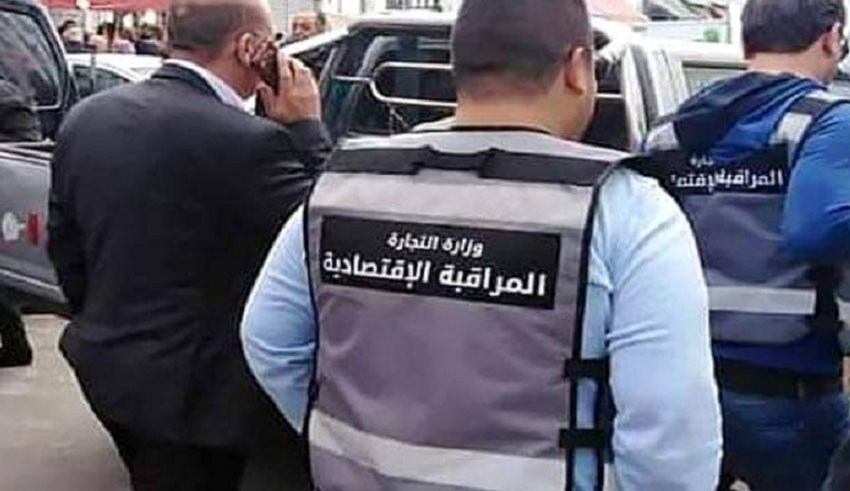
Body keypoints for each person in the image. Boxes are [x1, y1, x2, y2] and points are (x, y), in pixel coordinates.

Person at [241, 0, 722, 490]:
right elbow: (670, 435)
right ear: (577, 68)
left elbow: (269, 341)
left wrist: (345, 441)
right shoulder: (626, 210)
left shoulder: (340, 188)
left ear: (458, 68)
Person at [47, 0, 329, 488]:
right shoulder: (252, 142)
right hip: (208, 398)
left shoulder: (89, 116)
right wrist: (307, 129)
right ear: (249, 47)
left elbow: (66, 247)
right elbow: (323, 233)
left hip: (110, 369)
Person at [641, 0, 850, 489]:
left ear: (745, 42)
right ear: (831, 38)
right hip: (788, 384)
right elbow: (816, 230)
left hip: (685, 377)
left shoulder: (669, 130)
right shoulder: (830, 120)